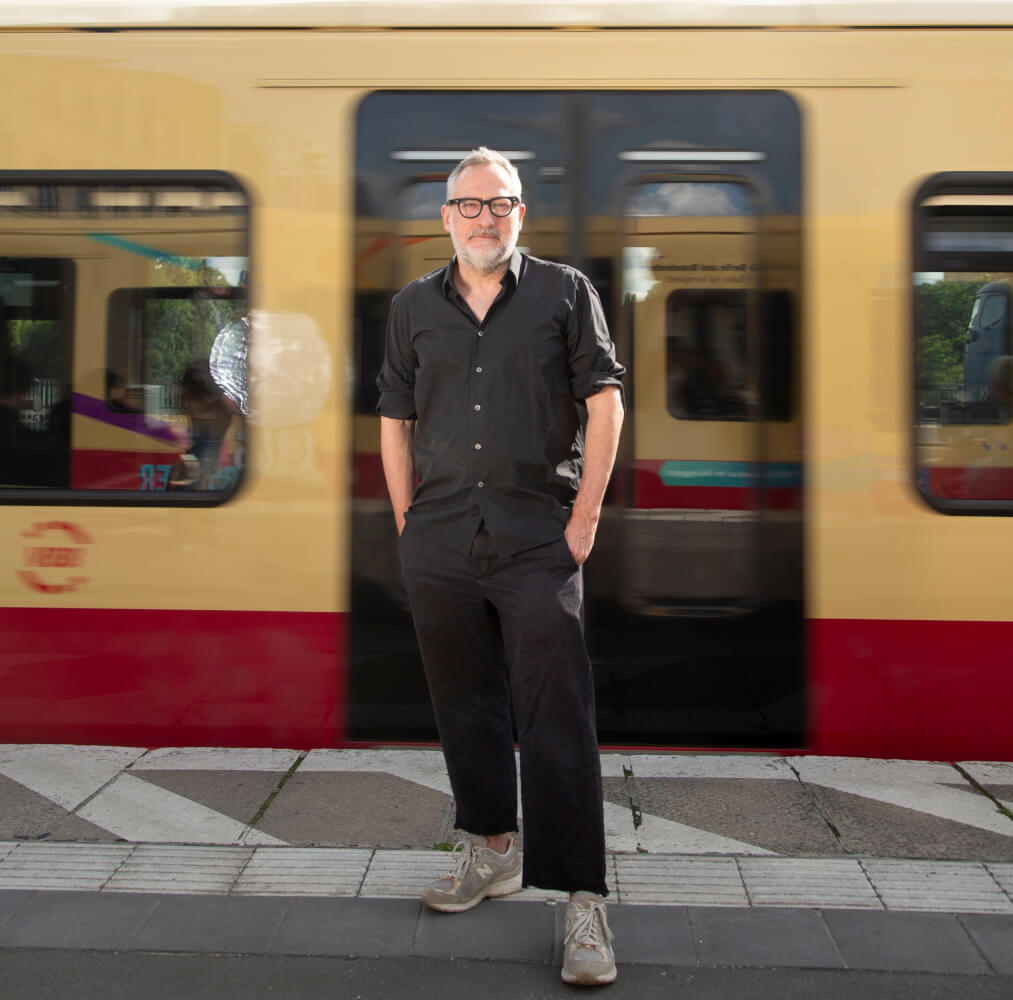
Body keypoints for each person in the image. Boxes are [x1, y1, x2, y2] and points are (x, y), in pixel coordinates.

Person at [376, 147, 625, 986]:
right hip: (440, 539)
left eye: (500, 204)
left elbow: (605, 402)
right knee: (464, 704)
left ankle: (583, 902)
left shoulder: (563, 293)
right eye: (469, 205)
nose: (484, 218)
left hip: (533, 538)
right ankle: (490, 852)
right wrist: (408, 520)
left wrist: (584, 516)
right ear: (444, 218)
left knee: (556, 718)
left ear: (521, 214)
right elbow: (394, 415)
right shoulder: (413, 306)